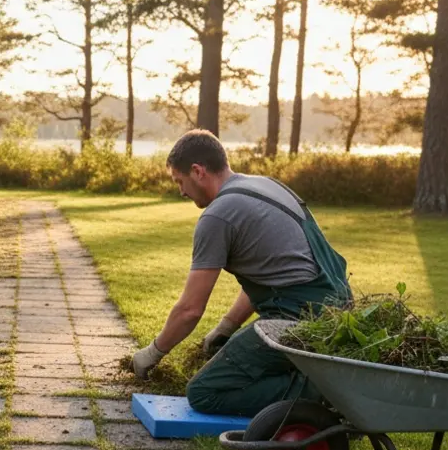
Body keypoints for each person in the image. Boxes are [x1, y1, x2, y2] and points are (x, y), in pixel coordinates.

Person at [130, 130, 352, 416]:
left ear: (197, 171)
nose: (181, 191)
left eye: (179, 181)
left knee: (204, 393)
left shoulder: (218, 215)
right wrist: (227, 326)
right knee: (233, 354)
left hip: (304, 322)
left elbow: (190, 309)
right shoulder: (265, 185)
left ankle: (323, 395)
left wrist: (152, 353)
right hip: (338, 312)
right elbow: (271, 271)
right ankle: (312, 384)